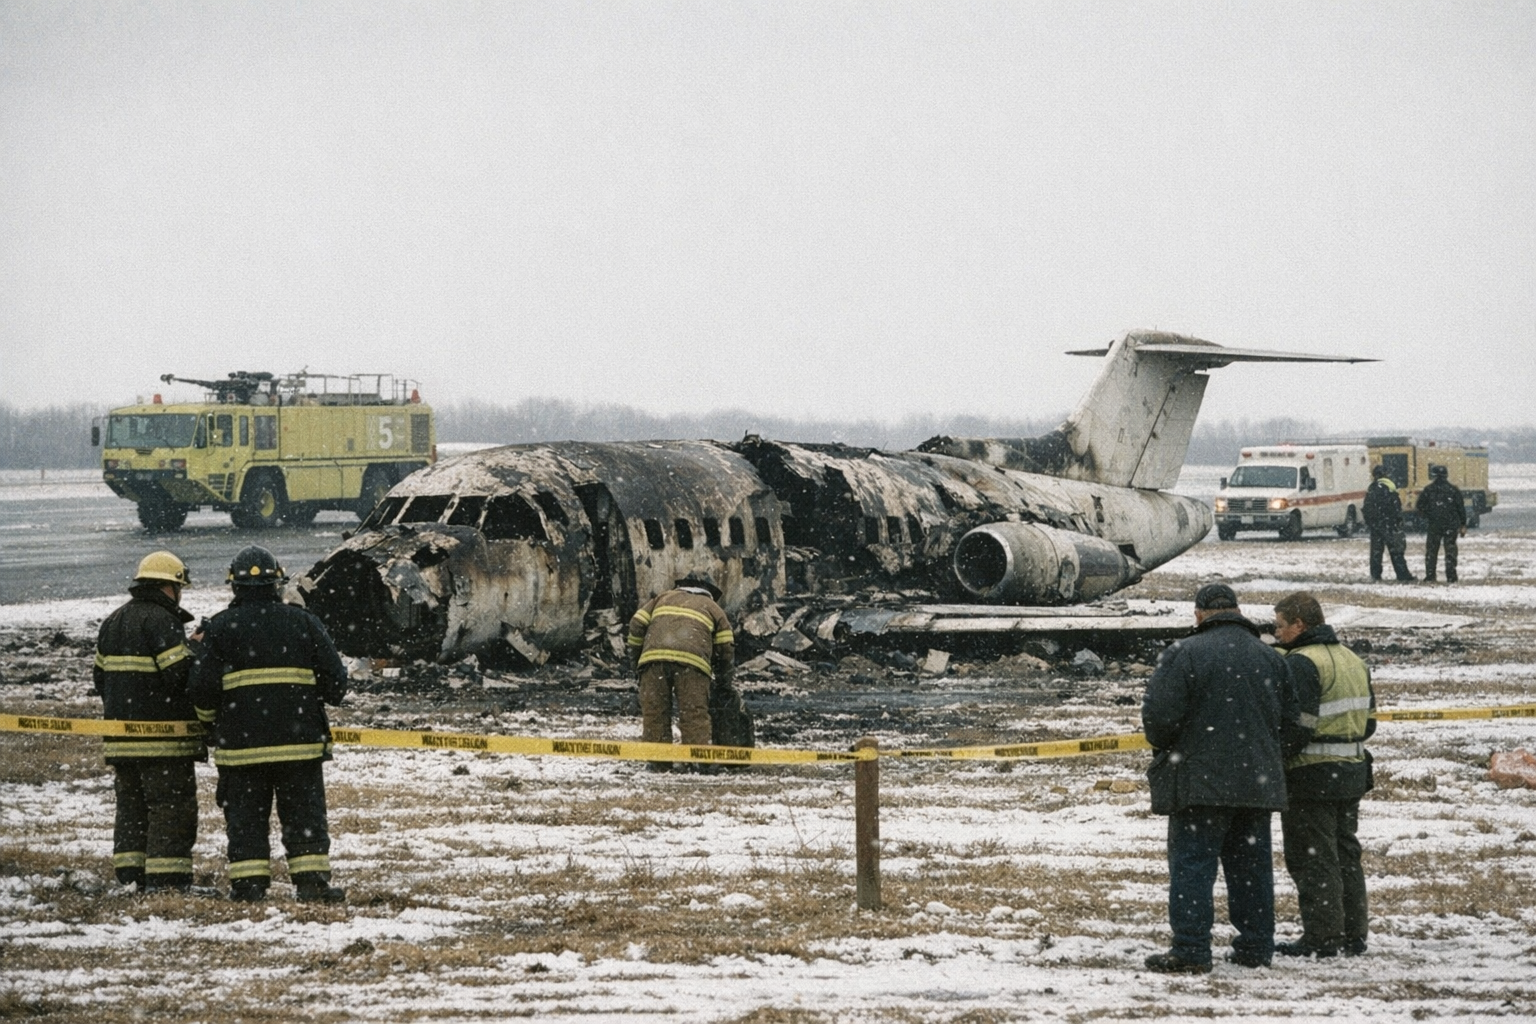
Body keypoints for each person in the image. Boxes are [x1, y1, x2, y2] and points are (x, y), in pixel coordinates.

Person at [1141, 583, 1295, 974]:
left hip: (1199, 784)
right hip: (1256, 785)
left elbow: (1159, 718)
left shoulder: (1183, 654)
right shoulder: (1272, 657)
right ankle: (1256, 947)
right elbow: (1294, 722)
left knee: (1193, 866)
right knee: (1252, 869)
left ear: (1198, 614)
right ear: (1236, 610)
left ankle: (1192, 949)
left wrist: (1170, 749)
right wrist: (1267, 757)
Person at [190, 546, 348, 903]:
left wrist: (212, 726)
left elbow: (201, 690)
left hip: (242, 752)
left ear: (235, 587)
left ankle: (248, 887)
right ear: (278, 583)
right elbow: (337, 683)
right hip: (300, 747)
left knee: (246, 822)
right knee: (304, 818)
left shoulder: (220, 628)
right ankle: (312, 885)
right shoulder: (303, 622)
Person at [93, 551, 205, 892]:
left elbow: (101, 679)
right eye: (179, 587)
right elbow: (179, 677)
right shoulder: (162, 621)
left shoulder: (112, 622)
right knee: (170, 808)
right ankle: (167, 880)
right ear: (170, 587)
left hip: (121, 740)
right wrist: (196, 650)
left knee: (132, 808)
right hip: (163, 742)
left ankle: (131, 876)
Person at [1272, 592, 1375, 958]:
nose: (1276, 634)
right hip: (1351, 773)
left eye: (1280, 626)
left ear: (1300, 625)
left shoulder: (1303, 663)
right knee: (1346, 855)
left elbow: (1300, 725)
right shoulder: (1352, 660)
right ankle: (1353, 934)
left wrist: (1276, 755)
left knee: (1313, 858)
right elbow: (1370, 722)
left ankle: (1322, 936)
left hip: (1312, 776)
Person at [627, 574, 736, 770]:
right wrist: (723, 681)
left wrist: (637, 661)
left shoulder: (661, 598)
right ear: (709, 591)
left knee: (655, 712)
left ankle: (658, 762)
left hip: (653, 662)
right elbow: (726, 648)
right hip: (692, 665)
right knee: (693, 713)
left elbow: (636, 624)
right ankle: (697, 761)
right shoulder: (712, 607)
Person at [1361, 465, 1415, 582]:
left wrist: (1371, 523)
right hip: (1390, 525)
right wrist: (1397, 520)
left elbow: (1366, 509)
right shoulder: (1391, 487)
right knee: (1396, 552)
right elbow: (1396, 507)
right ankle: (1402, 575)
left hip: (1376, 526)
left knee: (1376, 553)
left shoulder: (1372, 488)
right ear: (1385, 474)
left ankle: (1375, 575)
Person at [1416, 464, 1467, 582]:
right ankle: (1451, 576)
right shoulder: (1453, 490)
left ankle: (1430, 575)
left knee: (1431, 552)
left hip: (1434, 525)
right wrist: (1463, 525)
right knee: (1450, 552)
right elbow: (1461, 508)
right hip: (1451, 524)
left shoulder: (1428, 490)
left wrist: (1428, 516)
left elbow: (1420, 506)